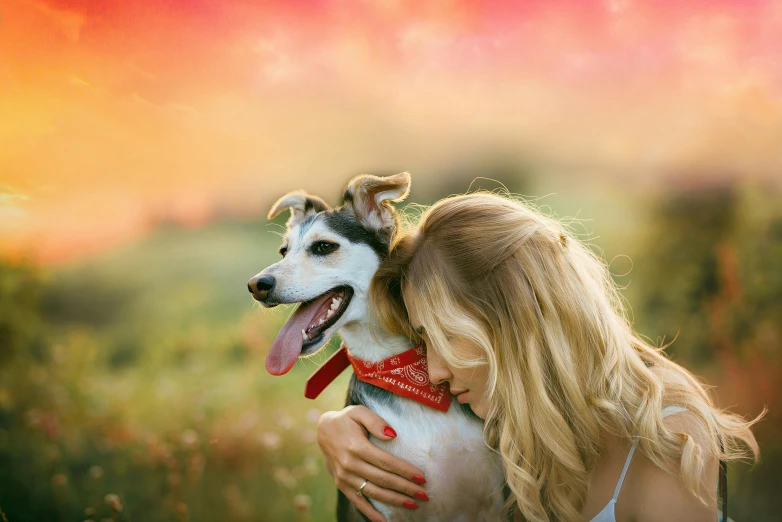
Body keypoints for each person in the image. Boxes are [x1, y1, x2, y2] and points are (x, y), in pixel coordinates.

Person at [316, 192, 761, 522]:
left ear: (518, 319)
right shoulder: (506, 422)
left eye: (445, 335)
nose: (434, 371)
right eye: (422, 341)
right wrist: (338, 427)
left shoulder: (668, 437)